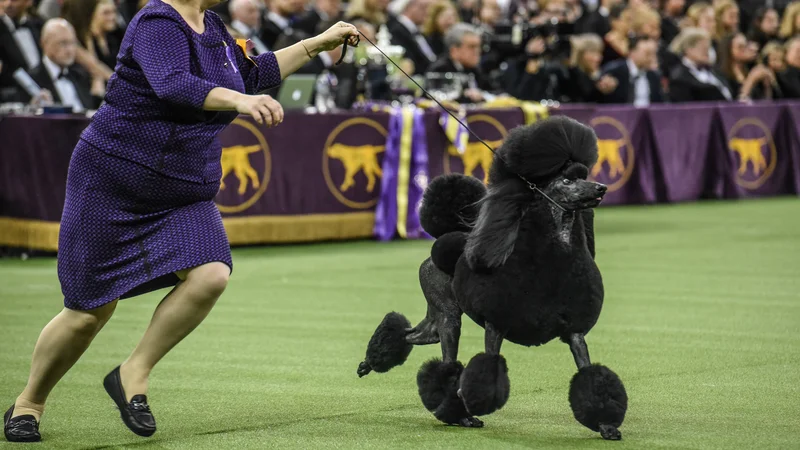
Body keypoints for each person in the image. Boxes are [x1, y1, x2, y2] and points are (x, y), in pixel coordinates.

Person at [1, 0, 358, 443]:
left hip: (183, 189)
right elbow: (174, 85)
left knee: (211, 274)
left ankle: (133, 371)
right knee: (88, 312)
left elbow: (251, 74)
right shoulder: (157, 21)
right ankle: (30, 402)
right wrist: (242, 101)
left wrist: (316, 44)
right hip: (113, 182)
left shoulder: (211, 26)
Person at [23, 18, 99, 111]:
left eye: (72, 43)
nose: (70, 50)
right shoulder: (31, 80)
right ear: (44, 44)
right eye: (63, 43)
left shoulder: (80, 75)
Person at [429, 22, 493, 103]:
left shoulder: (475, 69)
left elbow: (492, 91)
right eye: (471, 47)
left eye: (478, 46)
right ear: (454, 50)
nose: (477, 51)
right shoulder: (440, 70)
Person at [668, 27, 732, 102]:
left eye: (708, 48)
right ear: (688, 49)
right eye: (703, 48)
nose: (707, 52)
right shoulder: (679, 76)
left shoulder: (716, 71)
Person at [600, 35, 665, 106]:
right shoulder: (614, 71)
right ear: (632, 52)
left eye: (654, 54)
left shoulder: (654, 76)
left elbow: (660, 104)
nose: (652, 58)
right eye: (648, 53)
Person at [386, 0, 437, 74]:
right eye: (423, 8)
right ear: (410, 7)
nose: (427, 13)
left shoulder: (418, 31)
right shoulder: (397, 30)